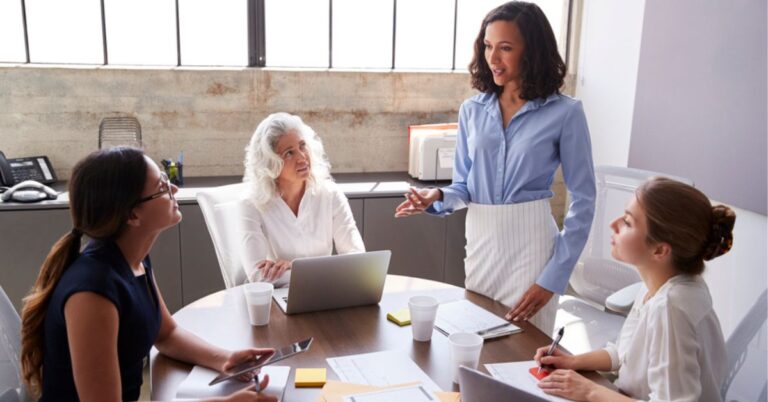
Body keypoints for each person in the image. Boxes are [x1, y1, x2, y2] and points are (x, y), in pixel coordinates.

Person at [395, 1, 595, 333]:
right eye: (488, 46)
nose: (493, 58)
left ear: (532, 51)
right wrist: (438, 195)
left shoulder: (565, 113)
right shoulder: (471, 110)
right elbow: (463, 187)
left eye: (505, 47)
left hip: (532, 250)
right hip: (481, 244)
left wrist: (554, 277)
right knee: (473, 346)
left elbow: (584, 200)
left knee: (524, 355)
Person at [19, 147, 277, 402]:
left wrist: (224, 359)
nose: (174, 190)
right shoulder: (92, 292)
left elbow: (166, 335)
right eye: (162, 187)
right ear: (132, 215)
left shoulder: (132, 259)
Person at [534, 177, 734, 402]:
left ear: (659, 250)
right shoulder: (661, 284)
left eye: (628, 222)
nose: (613, 224)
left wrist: (589, 391)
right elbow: (624, 353)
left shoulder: (671, 308)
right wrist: (573, 361)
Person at [239, 112, 365, 286]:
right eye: (289, 153)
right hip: (280, 301)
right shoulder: (252, 204)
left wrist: (296, 269)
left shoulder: (330, 194)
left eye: (302, 146)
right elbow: (257, 276)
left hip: (327, 293)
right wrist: (328, 271)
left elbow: (358, 260)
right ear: (271, 164)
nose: (302, 157)